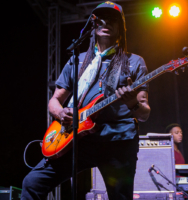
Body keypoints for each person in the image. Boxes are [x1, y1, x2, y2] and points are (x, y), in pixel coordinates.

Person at [21, 2, 150, 200]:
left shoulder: (133, 62)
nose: (106, 22)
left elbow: (144, 113)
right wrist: (60, 112)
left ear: (121, 27)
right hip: (80, 140)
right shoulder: (78, 60)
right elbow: (55, 100)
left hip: (118, 142)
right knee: (32, 183)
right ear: (93, 25)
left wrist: (132, 102)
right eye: (101, 19)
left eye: (113, 19)